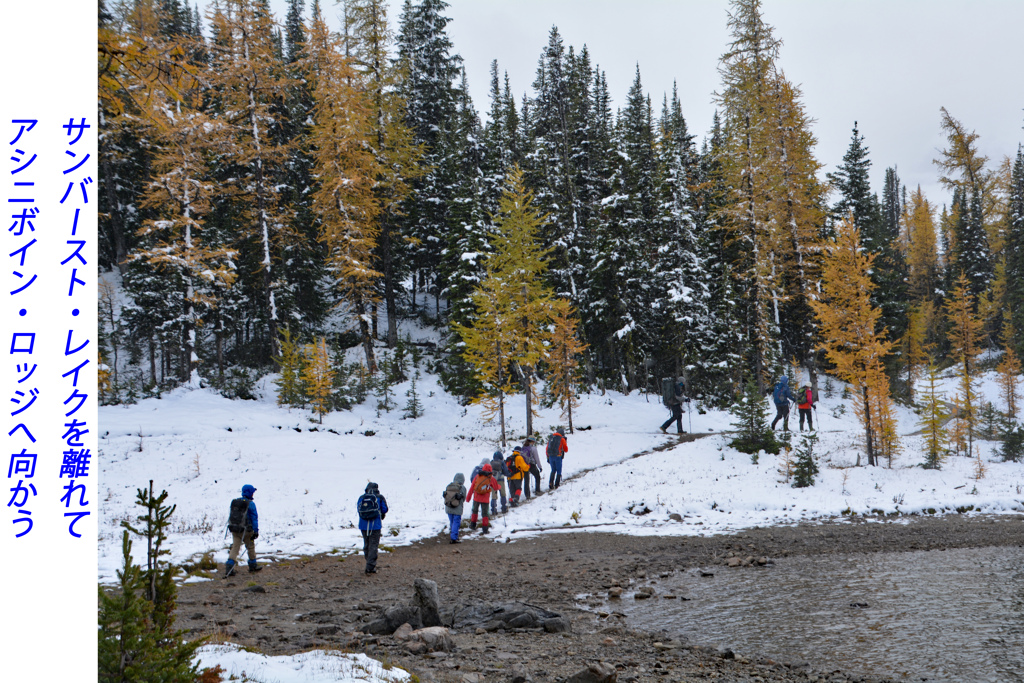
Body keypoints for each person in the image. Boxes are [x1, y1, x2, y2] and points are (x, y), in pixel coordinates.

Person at [225, 484, 261, 577]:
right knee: (250, 546)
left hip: (235, 529)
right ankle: (253, 565)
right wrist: (255, 531)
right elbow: (254, 518)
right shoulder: (250, 504)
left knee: (235, 547)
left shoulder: (236, 502)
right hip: (246, 530)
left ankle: (229, 566)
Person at [357, 482, 388, 574]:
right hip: (375, 525)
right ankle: (370, 567)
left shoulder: (361, 498)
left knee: (366, 544)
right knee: (373, 545)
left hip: (363, 525)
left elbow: (358, 509)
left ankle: (369, 562)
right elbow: (385, 509)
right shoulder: (379, 497)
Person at [465, 463, 499, 533]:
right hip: (485, 499)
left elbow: (472, 487)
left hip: (476, 498)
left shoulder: (478, 476)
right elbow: (496, 487)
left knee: (474, 511)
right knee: (485, 514)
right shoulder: (491, 478)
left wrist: (468, 498)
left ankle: (473, 525)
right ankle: (485, 529)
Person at [442, 473, 466, 544]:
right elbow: (463, 498)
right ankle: (454, 538)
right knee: (456, 522)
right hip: (457, 508)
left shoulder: (449, 486)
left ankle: (453, 534)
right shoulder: (462, 487)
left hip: (448, 507)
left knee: (452, 522)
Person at [489, 450, 510, 516]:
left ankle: (493, 510)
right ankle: (504, 507)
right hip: (501, 480)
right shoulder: (502, 462)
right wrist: (509, 474)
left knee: (494, 495)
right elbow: (505, 471)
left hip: (493, 480)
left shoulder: (491, 462)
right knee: (502, 494)